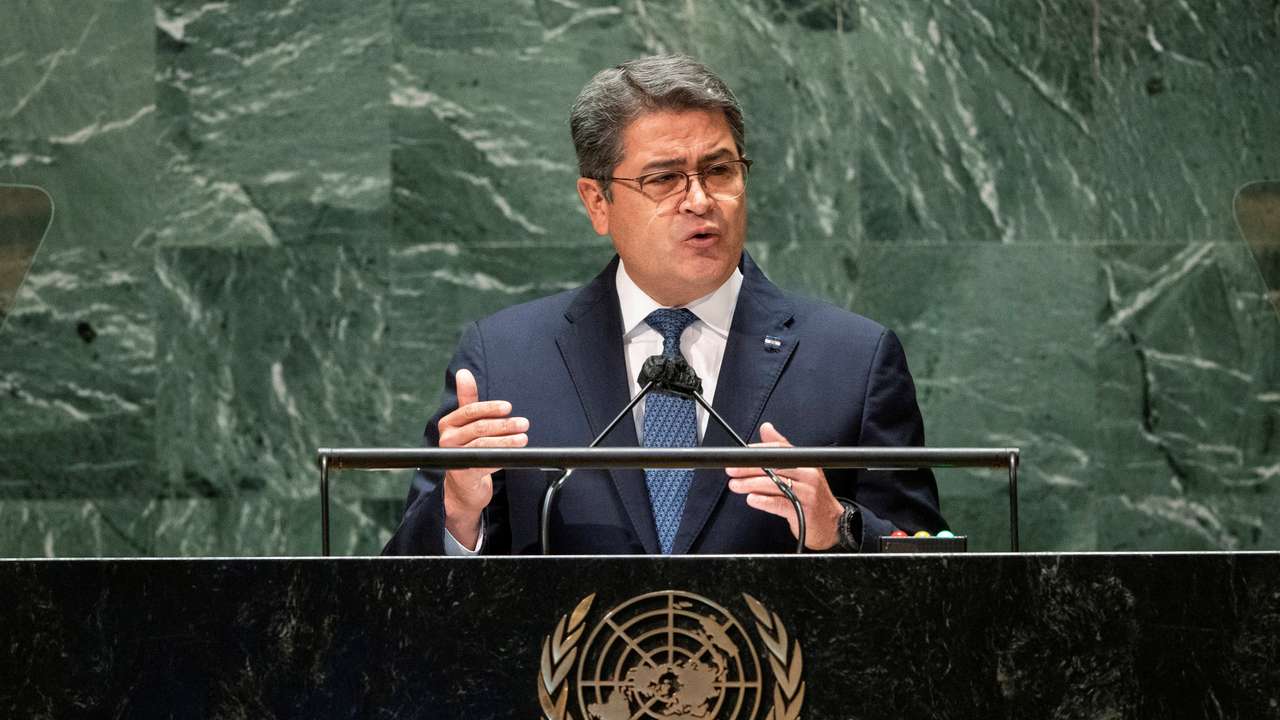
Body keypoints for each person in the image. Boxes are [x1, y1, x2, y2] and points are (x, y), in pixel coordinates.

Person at [383, 54, 945, 556]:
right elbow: (398, 599)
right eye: (664, 178)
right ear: (597, 202)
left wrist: (837, 526)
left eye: (719, 170)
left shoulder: (854, 360)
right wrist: (459, 513)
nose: (699, 200)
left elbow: (935, 588)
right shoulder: (506, 360)